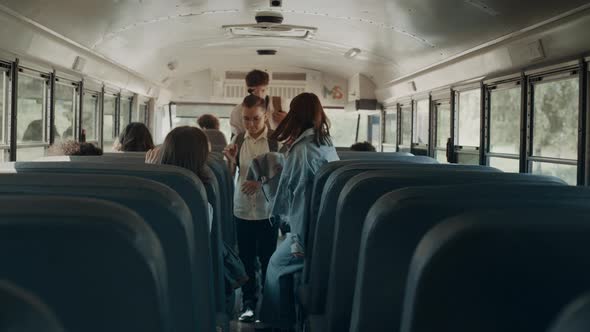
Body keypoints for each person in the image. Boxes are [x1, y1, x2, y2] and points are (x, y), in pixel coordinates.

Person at [259, 93, 339, 330]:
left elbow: (297, 200)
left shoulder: (302, 151)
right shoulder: (325, 143)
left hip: (307, 234)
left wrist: (297, 242)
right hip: (328, 229)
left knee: (275, 265)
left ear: (295, 115)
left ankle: (276, 323)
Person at [224, 94, 281, 323]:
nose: (251, 124)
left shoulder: (276, 142)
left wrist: (261, 182)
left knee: (268, 260)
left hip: (268, 211)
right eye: (246, 119)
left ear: (265, 116)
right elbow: (230, 178)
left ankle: (268, 305)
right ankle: (248, 304)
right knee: (246, 261)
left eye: (255, 119)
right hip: (243, 210)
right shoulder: (238, 140)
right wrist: (230, 161)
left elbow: (284, 180)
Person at [230, 69, 289, 137]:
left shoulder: (280, 104)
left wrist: (287, 122)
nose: (260, 95)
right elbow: (237, 137)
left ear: (267, 88)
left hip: (277, 145)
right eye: (255, 92)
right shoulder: (238, 111)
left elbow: (295, 131)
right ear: (248, 89)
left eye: (263, 90)